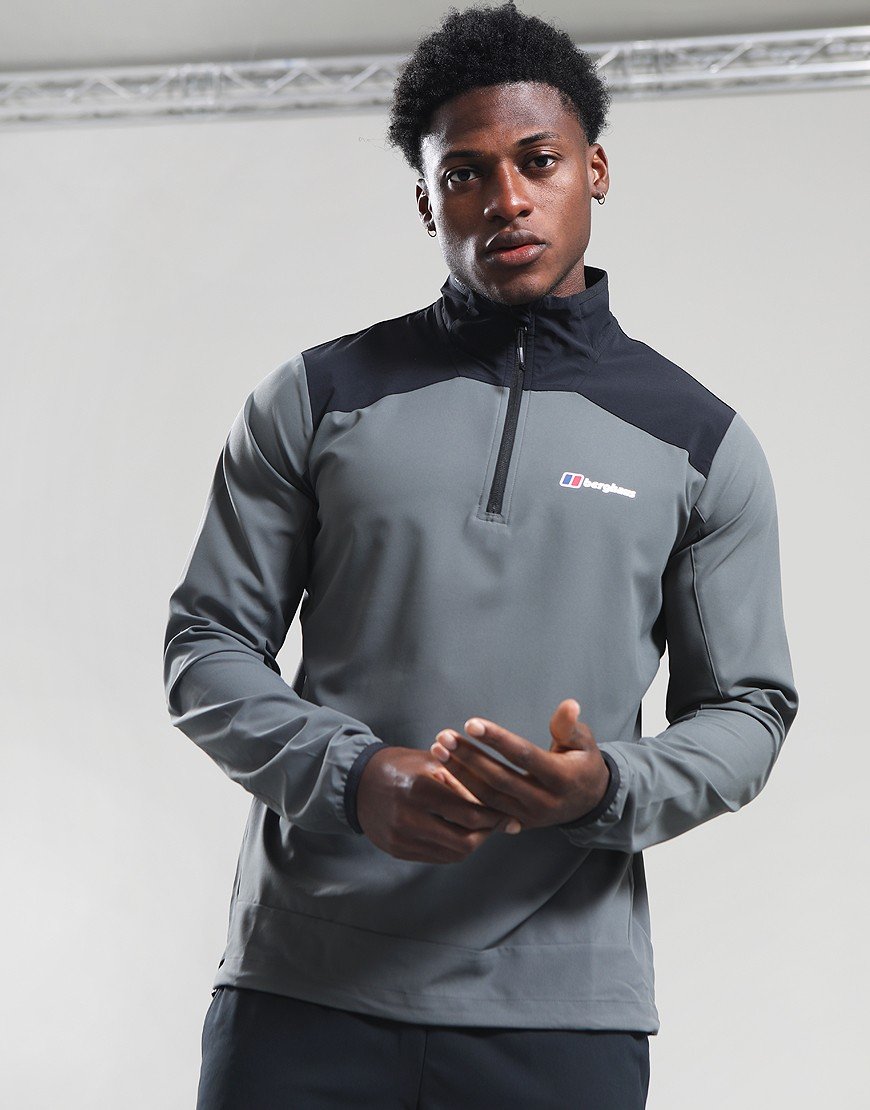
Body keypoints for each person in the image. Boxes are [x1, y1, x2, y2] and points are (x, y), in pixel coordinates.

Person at [162, 3, 798, 1107]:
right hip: (303, 991)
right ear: (426, 201)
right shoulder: (313, 399)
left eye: (537, 161)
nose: (505, 198)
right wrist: (354, 776)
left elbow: (749, 708)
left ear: (594, 171)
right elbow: (205, 647)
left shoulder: (701, 443)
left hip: (560, 1016)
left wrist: (607, 785)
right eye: (464, 174)